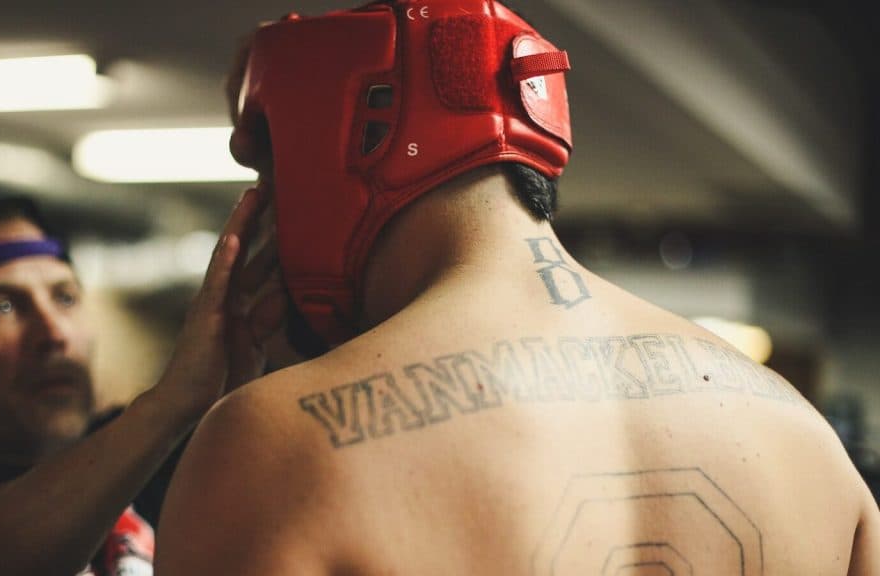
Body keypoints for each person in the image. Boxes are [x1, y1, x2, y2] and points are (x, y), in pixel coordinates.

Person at [154, 0, 880, 574]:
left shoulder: (277, 445)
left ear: (342, 148)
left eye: (270, 176)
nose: (270, 212)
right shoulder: (810, 443)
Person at [0, 192, 269, 575]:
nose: (53, 332)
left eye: (65, 298)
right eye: (3, 306)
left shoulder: (154, 461)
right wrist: (169, 403)